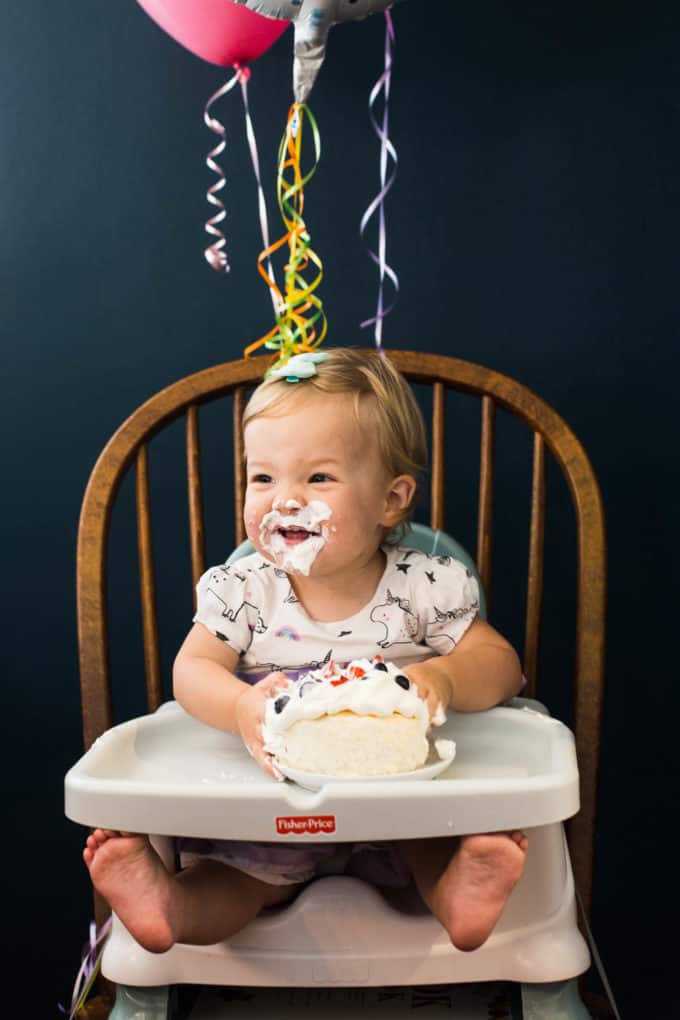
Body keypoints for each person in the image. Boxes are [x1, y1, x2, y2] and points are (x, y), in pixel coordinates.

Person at [84, 347, 527, 956]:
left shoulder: (422, 587)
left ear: (391, 499)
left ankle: (461, 896)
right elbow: (191, 670)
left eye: (318, 477)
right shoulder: (245, 591)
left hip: (397, 801)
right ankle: (169, 907)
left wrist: (446, 678)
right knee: (232, 879)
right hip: (273, 809)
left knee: (433, 844)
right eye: (263, 477)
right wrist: (240, 708)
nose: (285, 499)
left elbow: (502, 664)